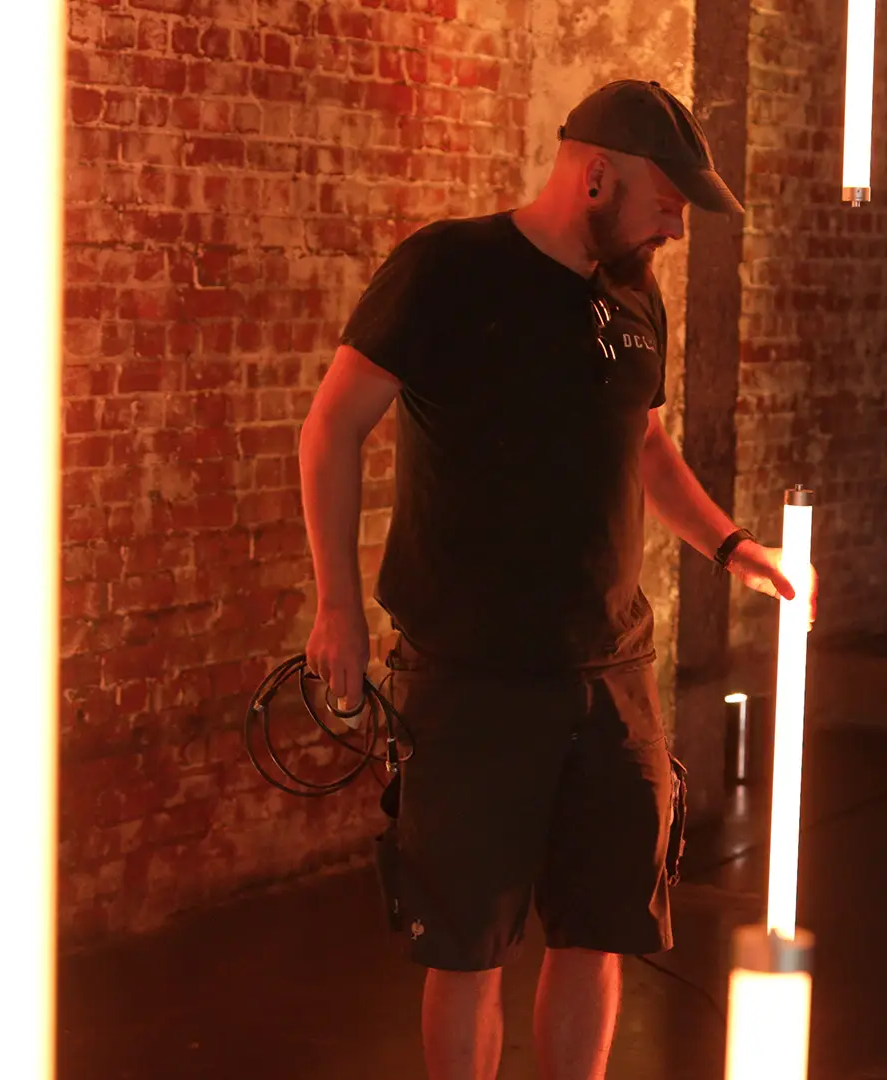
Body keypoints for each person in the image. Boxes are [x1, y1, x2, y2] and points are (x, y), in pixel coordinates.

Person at [298, 79, 817, 1080]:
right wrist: (336, 609)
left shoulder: (635, 295)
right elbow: (332, 427)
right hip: (472, 675)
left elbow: (645, 444)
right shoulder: (448, 269)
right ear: (596, 176)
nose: (676, 227)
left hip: (612, 673)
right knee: (466, 944)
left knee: (599, 930)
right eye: (667, 202)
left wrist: (730, 546)